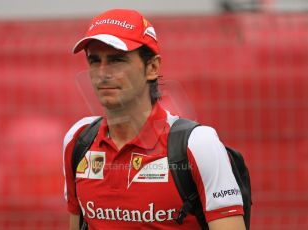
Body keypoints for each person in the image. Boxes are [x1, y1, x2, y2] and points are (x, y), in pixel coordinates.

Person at [63, 8, 246, 230]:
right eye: (94, 60)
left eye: (116, 60)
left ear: (152, 68)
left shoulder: (198, 144)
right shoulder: (78, 140)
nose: (103, 73)